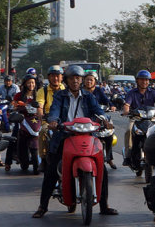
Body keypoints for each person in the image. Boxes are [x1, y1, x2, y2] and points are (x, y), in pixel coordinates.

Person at [32, 65, 117, 218]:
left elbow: (99, 111)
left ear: (82, 80)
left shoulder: (89, 96)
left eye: (78, 78)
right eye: (72, 78)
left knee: (102, 169)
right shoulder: (60, 96)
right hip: (65, 135)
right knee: (51, 171)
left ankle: (104, 206)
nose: (75, 81)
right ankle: (42, 206)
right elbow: (54, 111)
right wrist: (53, 121)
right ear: (67, 80)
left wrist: (106, 120)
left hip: (88, 134)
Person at [121, 70, 155, 166]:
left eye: (146, 80)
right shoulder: (132, 93)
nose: (144, 82)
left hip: (151, 119)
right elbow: (127, 105)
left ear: (149, 81)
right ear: (137, 81)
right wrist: (126, 110)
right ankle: (128, 156)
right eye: (142, 80)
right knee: (128, 131)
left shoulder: (153, 92)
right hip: (135, 118)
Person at [5, 74, 40, 173]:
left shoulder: (39, 94)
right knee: (13, 138)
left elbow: (43, 105)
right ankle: (8, 162)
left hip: (36, 121)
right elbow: (13, 106)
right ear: (25, 84)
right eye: (29, 82)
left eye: (33, 82)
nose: (31, 84)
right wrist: (17, 107)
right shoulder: (19, 95)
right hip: (22, 120)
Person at [83, 71, 117, 169]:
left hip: (100, 117)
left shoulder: (99, 90)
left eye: (91, 80)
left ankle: (109, 158)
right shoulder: (81, 91)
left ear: (95, 81)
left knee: (109, 135)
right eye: (87, 79)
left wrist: (112, 105)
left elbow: (107, 101)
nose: (89, 82)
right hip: (86, 119)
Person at [36, 65, 65, 172]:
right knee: (43, 131)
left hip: (64, 122)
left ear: (62, 77)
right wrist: (40, 113)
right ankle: (43, 159)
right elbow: (40, 105)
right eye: (53, 76)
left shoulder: (66, 90)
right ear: (48, 77)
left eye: (58, 76)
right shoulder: (42, 91)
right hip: (48, 121)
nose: (55, 78)